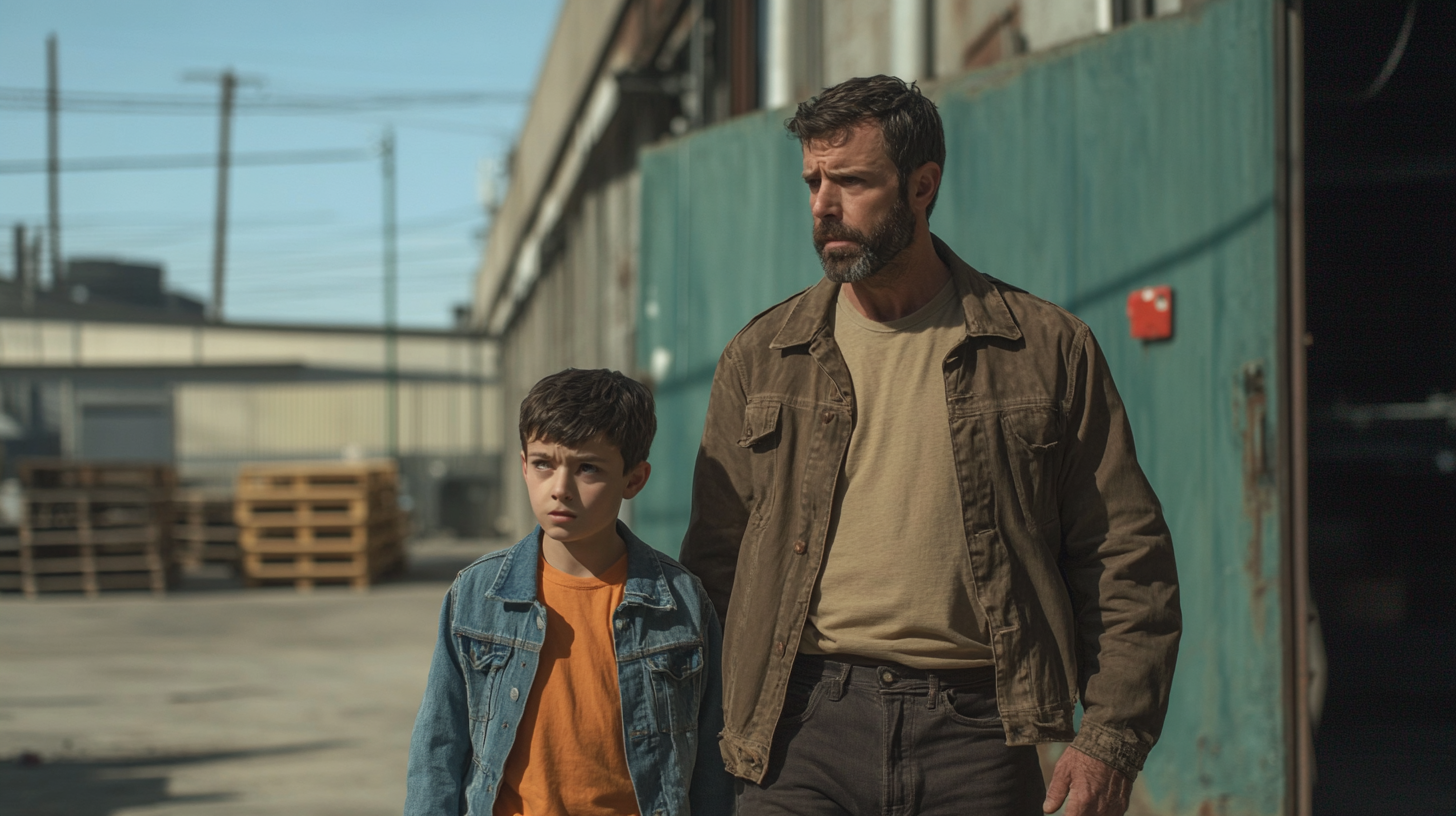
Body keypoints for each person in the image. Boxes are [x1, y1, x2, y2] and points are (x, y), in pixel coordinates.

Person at [679, 75, 1181, 816]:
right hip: (801, 729)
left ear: (922, 185)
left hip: (978, 731)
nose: (823, 203)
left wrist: (1109, 738)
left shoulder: (1043, 350)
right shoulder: (763, 357)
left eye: (851, 181)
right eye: (814, 180)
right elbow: (713, 572)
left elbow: (1124, 558)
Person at [405, 368, 733, 816]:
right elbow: (438, 747)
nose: (560, 489)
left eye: (588, 468)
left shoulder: (679, 602)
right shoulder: (478, 594)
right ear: (523, 466)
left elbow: (712, 766)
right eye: (543, 463)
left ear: (634, 480)